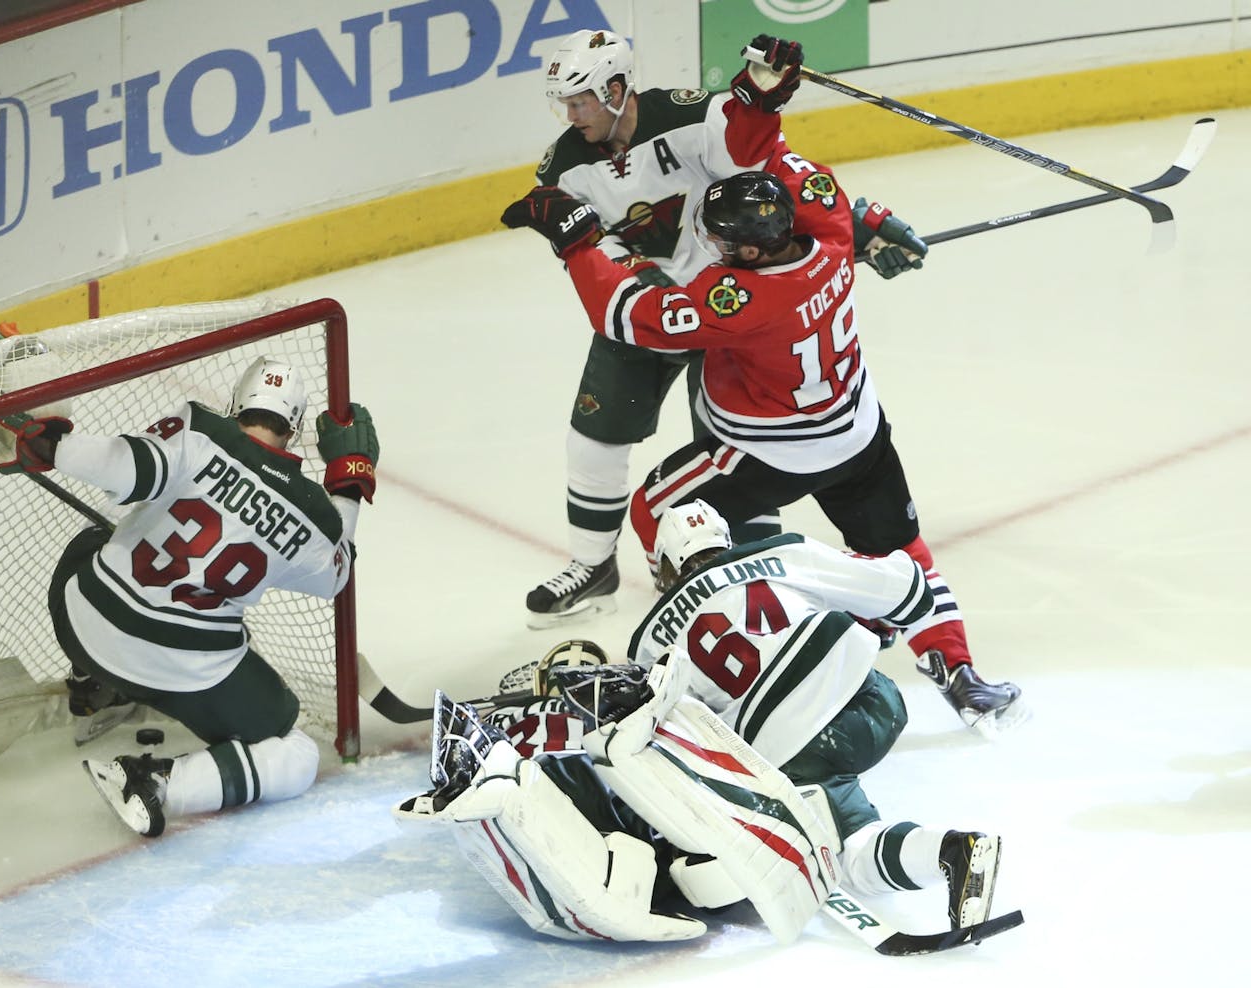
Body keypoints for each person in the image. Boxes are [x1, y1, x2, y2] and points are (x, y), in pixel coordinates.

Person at [500, 149, 1023, 736]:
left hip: (766, 453)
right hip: (857, 434)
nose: (717, 252)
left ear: (750, 251)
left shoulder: (743, 301)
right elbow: (792, 166)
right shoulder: (827, 233)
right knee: (903, 552)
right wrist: (866, 217)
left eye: (724, 245)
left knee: (657, 511)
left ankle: (708, 655)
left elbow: (628, 314)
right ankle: (962, 676)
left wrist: (576, 243)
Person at [394, 505, 1008, 943]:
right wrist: (879, 613)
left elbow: (667, 732)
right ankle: (949, 851)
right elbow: (908, 587)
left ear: (663, 567)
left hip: (789, 748)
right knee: (845, 812)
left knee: (839, 852)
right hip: (873, 706)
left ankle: (928, 848)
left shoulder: (649, 638)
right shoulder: (781, 552)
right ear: (725, 538)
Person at [514, 29, 928, 628]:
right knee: (595, 433)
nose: (570, 115)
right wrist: (640, 280)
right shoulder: (565, 165)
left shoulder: (692, 115)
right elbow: (590, 241)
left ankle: (751, 573)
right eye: (564, 103)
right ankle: (592, 565)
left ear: (615, 87)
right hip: (649, 307)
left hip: (729, 302)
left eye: (579, 99)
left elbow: (765, 165)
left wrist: (847, 209)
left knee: (735, 454)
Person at [0, 355, 379, 836]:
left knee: (104, 531)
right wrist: (348, 480)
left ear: (235, 405)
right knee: (296, 753)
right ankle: (157, 783)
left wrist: (53, 447)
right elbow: (336, 575)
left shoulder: (199, 427)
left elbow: (125, 468)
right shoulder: (314, 514)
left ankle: (93, 683)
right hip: (188, 673)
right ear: (294, 429)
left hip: (81, 619)